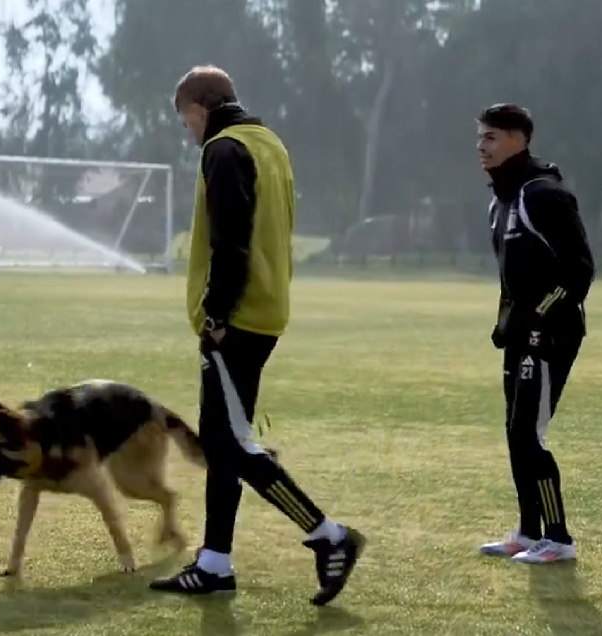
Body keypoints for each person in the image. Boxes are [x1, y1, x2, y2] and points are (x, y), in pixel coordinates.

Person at [148, 65, 365, 605]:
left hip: (237, 320)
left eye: (186, 122)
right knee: (223, 444)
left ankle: (329, 536)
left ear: (200, 108)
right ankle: (215, 564)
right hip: (266, 310)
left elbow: (231, 242)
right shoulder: (270, 144)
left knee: (231, 444)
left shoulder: (222, 150)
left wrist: (216, 316)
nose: (188, 132)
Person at [475, 103, 596, 564]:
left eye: (491, 137)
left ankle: (558, 538)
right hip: (522, 336)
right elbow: (513, 280)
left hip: (553, 335)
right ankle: (528, 532)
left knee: (529, 434)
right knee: (515, 431)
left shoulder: (543, 195)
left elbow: (579, 272)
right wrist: (508, 323)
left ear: (518, 140)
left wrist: (539, 319)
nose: (481, 146)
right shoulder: (500, 200)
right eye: (480, 137)